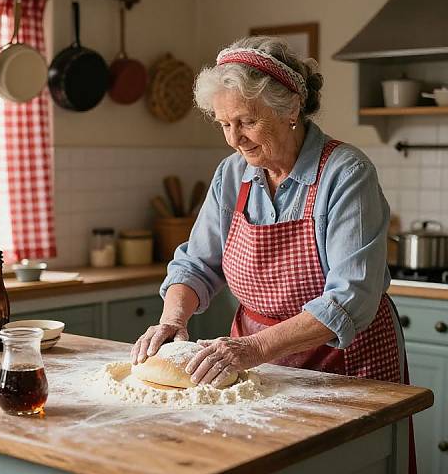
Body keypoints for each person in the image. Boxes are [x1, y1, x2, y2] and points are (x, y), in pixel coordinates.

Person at [131, 35, 406, 389]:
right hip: (254, 363)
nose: (234, 139)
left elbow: (350, 298)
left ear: (290, 109)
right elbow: (196, 264)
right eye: (224, 124)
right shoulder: (231, 173)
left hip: (345, 363)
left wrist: (254, 347)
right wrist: (172, 319)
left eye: (246, 121)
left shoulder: (346, 173)